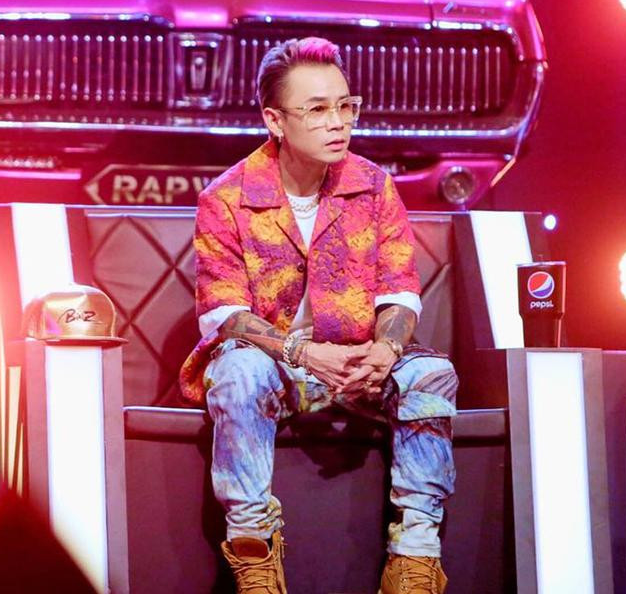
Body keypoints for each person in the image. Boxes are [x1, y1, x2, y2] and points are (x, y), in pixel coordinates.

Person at [178, 37, 458, 594]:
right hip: (276, 365)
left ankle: (415, 559)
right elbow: (225, 313)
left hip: (357, 362)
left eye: (346, 106)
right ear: (275, 120)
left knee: (431, 373)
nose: (338, 123)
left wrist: (386, 349)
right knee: (237, 371)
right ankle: (254, 555)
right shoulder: (227, 198)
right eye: (318, 109)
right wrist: (302, 353)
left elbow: (400, 289)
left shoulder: (373, 187)